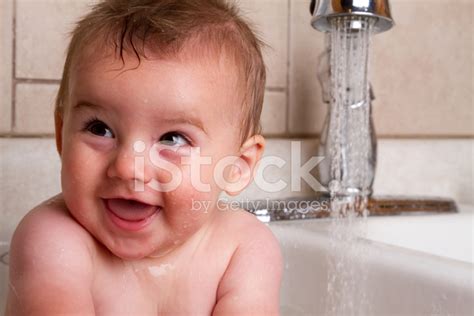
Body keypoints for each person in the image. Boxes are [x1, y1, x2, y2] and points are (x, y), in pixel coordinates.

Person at [6, 0, 282, 315]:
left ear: (235, 167)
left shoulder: (244, 248)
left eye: (172, 139)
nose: (127, 167)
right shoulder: (53, 239)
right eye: (100, 129)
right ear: (61, 136)